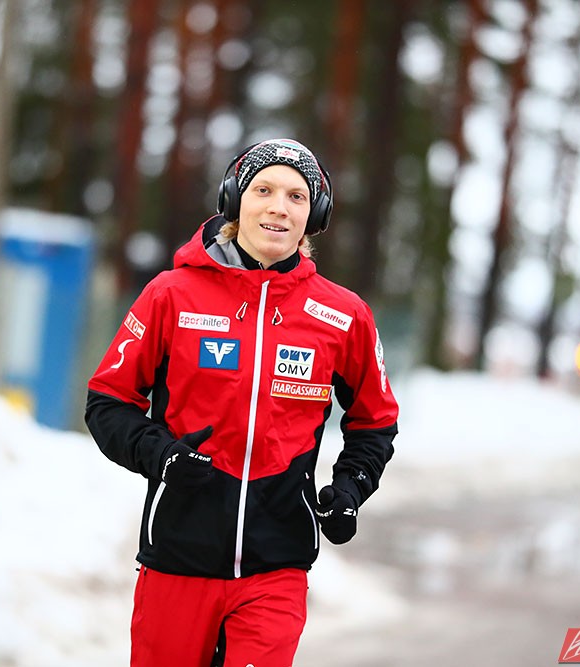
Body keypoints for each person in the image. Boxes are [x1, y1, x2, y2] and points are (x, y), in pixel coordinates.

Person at [85, 138, 399, 667]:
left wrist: (351, 487)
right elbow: (108, 401)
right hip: (178, 557)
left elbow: (376, 420)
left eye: (297, 196)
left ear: (315, 215)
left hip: (277, 566)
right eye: (264, 190)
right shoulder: (171, 295)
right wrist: (161, 455)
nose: (280, 207)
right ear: (234, 200)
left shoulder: (343, 316)